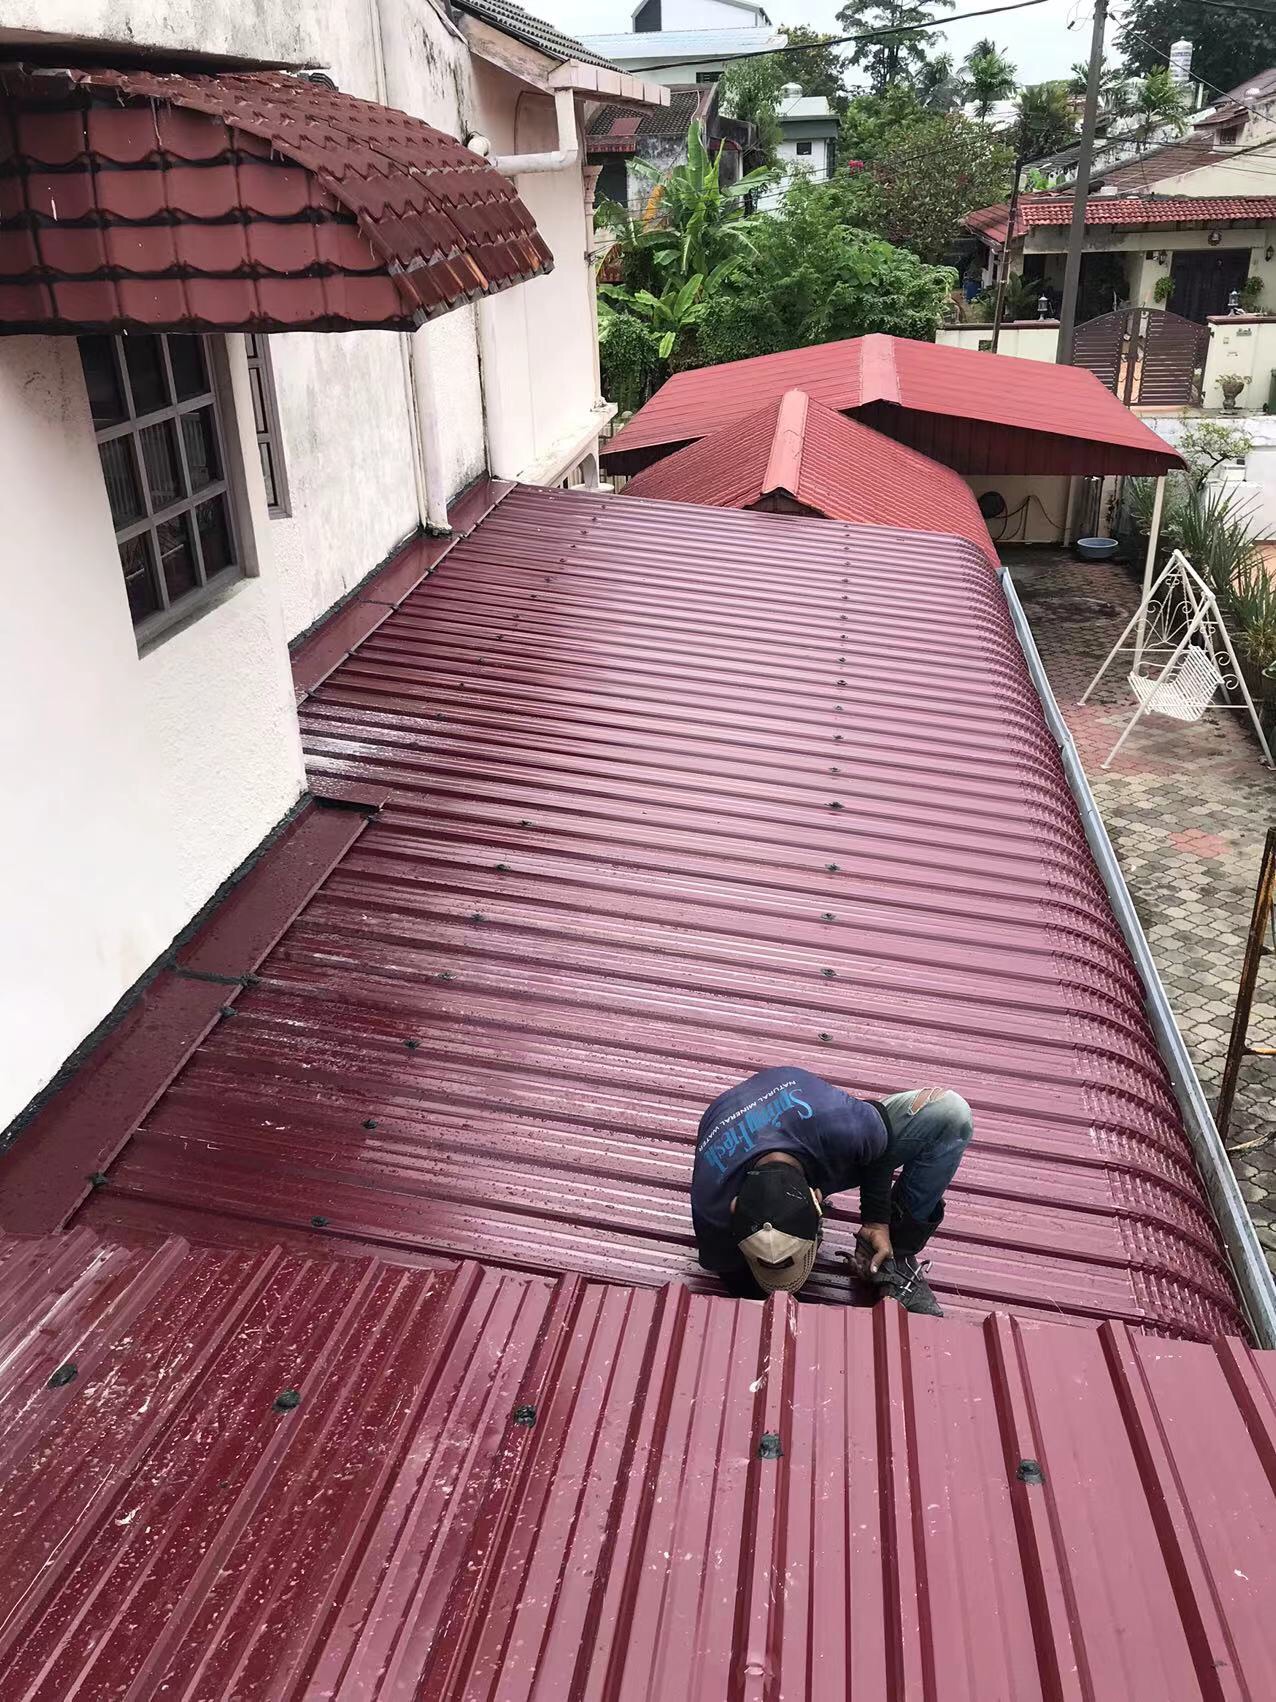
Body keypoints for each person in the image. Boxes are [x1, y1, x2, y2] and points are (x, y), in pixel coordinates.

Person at [690, 1065, 972, 1315]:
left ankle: (894, 1257)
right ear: (733, 1207)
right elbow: (735, 1279)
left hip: (814, 1132)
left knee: (950, 1113)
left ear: (817, 1199)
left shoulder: (844, 1126)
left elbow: (880, 1150)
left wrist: (876, 1221)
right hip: (770, 1138)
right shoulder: (711, 1205)